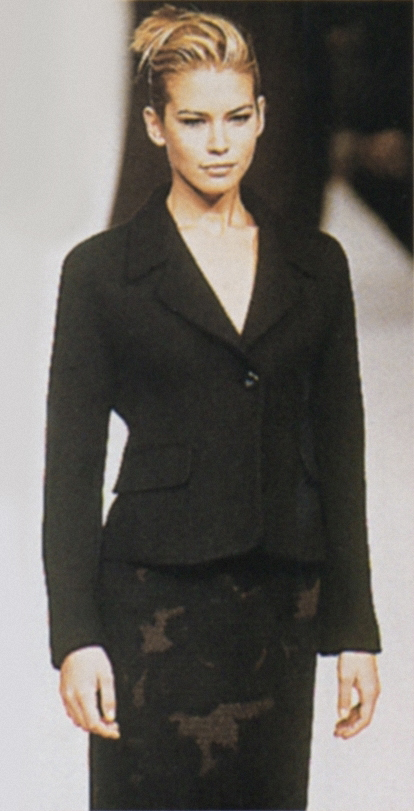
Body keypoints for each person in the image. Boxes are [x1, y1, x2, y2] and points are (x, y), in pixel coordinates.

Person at [43, 6, 381, 810]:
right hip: (151, 603)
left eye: (236, 117)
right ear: (155, 126)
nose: (219, 142)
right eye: (194, 120)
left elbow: (342, 451)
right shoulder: (102, 273)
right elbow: (71, 468)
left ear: (262, 116)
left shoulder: (315, 266)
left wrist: (354, 631)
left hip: (278, 606)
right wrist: (76, 637)